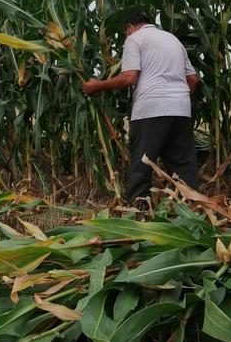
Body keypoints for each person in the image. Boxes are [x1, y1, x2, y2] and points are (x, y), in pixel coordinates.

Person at [82, 13, 200, 204]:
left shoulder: (134, 39)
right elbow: (193, 79)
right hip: (180, 110)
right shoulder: (173, 40)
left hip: (151, 109)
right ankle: (193, 210)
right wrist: (179, 98)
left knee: (142, 164)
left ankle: (139, 212)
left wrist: (98, 85)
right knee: (182, 165)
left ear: (130, 27)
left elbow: (129, 77)